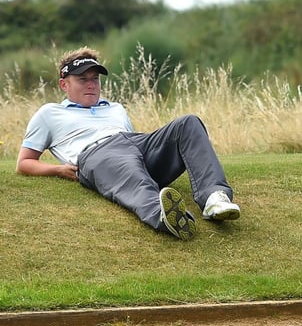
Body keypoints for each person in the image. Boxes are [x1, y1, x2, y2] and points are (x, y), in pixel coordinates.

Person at [16, 47, 241, 240]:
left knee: (188, 123)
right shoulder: (49, 113)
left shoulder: (115, 108)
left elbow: (135, 149)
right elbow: (24, 162)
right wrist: (57, 170)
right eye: (82, 79)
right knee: (125, 168)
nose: (91, 84)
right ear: (64, 85)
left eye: (95, 79)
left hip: (136, 143)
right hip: (98, 153)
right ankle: (164, 215)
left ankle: (214, 198)